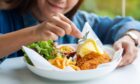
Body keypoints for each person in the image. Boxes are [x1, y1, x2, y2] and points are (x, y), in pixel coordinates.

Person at [0, 0, 140, 67]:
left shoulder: (79, 21)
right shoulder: (4, 18)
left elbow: (127, 23)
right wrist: (34, 32)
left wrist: (130, 37)